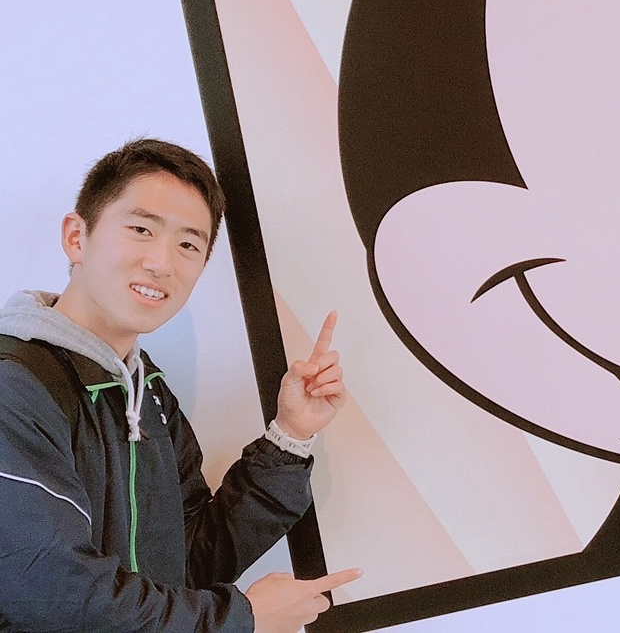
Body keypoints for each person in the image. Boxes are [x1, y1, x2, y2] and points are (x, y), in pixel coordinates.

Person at [0, 138, 360, 632]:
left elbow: (189, 560)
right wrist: (244, 619)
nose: (161, 262)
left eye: (188, 244)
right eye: (141, 230)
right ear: (77, 237)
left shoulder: (144, 390)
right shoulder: (14, 384)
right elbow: (51, 592)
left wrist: (290, 435)